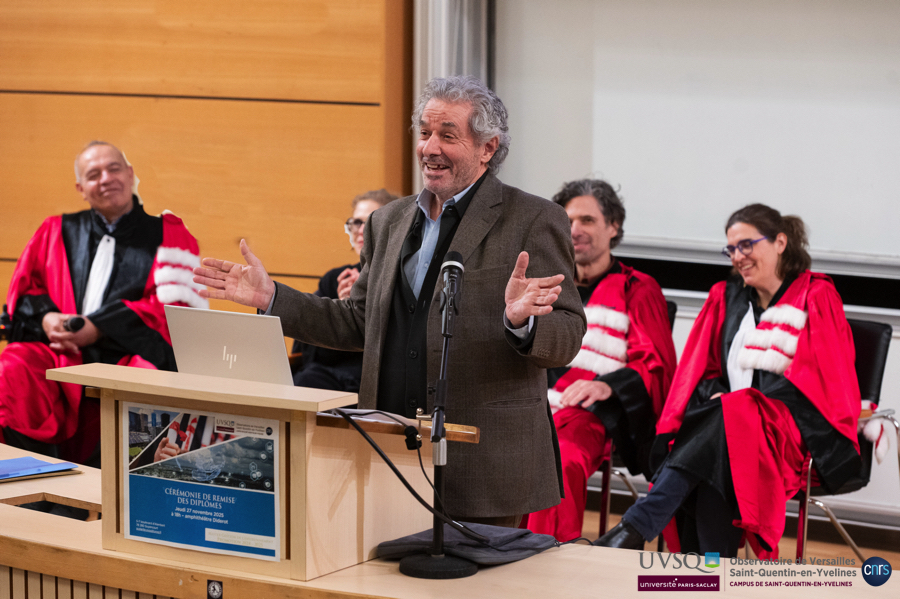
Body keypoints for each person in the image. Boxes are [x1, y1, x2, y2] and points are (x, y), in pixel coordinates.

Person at [194, 76, 586, 525]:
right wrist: (272, 297)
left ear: (487, 148)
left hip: (483, 464)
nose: (429, 148)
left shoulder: (533, 219)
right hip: (388, 453)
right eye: (424, 133)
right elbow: (357, 321)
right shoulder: (388, 221)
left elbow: (568, 333)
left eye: (448, 135)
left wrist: (522, 322)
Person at [595, 204, 860, 558]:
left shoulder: (815, 295)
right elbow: (702, 374)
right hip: (727, 432)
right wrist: (725, 402)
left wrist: (742, 405)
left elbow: (823, 380)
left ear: (781, 242)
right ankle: (711, 571)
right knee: (722, 443)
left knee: (729, 421)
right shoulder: (725, 297)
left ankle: (638, 526)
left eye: (747, 245)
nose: (738, 256)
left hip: (790, 435)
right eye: (731, 249)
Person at [0, 141, 207, 464]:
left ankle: (124, 480)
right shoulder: (55, 230)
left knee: (148, 376)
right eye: (93, 174)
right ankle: (29, 473)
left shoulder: (168, 235)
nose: (106, 179)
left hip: (126, 353)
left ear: (130, 174)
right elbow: (26, 292)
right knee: (14, 364)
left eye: (113, 169)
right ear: (81, 188)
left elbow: (173, 311)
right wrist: (46, 319)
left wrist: (99, 328)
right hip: (61, 352)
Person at [523, 180, 676, 542]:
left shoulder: (638, 289)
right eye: (569, 221)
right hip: (533, 404)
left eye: (588, 220)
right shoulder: (542, 286)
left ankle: (551, 556)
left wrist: (608, 385)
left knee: (561, 456)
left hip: (594, 414)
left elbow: (656, 366)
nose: (575, 229)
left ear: (613, 227)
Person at [291, 189, 398, 392]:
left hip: (377, 382)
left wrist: (363, 307)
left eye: (370, 222)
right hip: (326, 378)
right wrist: (340, 311)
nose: (361, 230)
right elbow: (312, 354)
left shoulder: (402, 279)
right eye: (356, 222)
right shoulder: (335, 279)